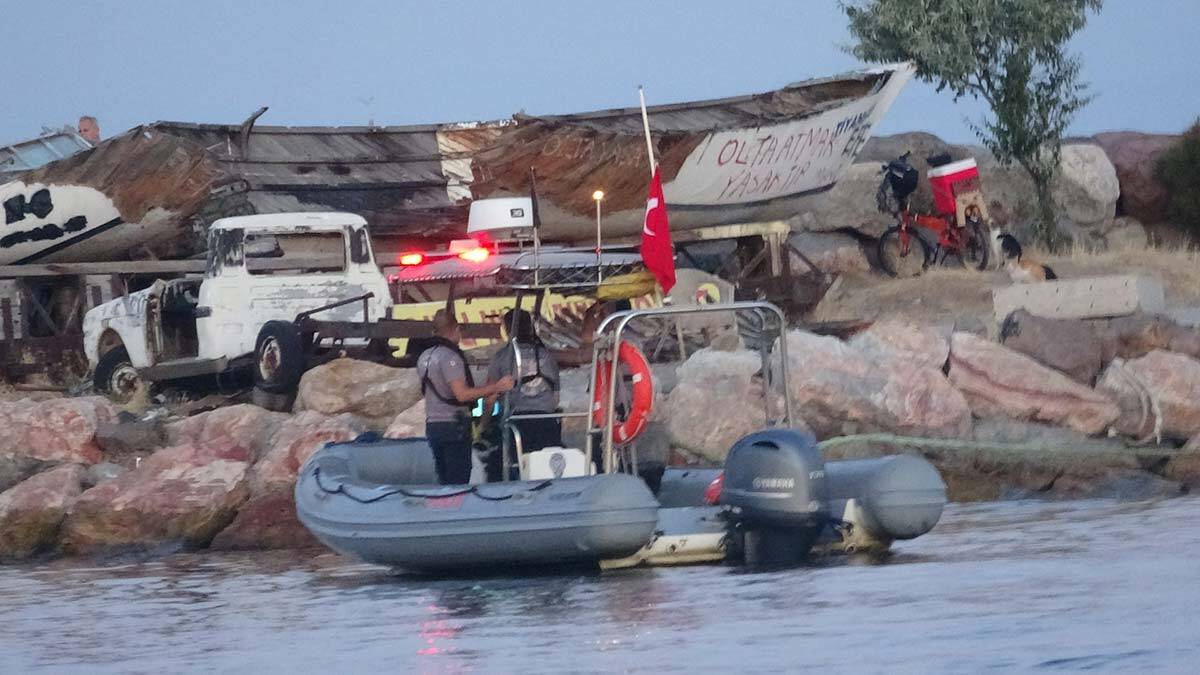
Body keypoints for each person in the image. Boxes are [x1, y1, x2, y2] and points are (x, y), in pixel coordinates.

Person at [417, 310, 513, 485]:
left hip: (433, 426)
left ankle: (445, 510)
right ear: (455, 329)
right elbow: (461, 394)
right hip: (454, 427)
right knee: (458, 480)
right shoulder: (450, 358)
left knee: (444, 479)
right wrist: (496, 387)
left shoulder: (424, 357)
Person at [483, 309, 563, 463]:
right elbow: (556, 397)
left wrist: (484, 426)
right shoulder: (547, 356)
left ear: (507, 329)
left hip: (516, 423)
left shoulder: (501, 357)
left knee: (514, 466)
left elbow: (490, 398)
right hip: (547, 422)